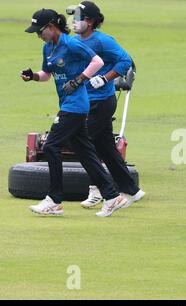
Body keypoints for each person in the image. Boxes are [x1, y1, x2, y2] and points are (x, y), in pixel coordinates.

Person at [22, 8, 127, 217]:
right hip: (67, 104)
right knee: (85, 153)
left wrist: (80, 80)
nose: (38, 35)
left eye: (40, 31)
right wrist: (32, 76)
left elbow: (97, 62)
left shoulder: (71, 44)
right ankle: (112, 196)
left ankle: (54, 200)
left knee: (51, 145)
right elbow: (46, 74)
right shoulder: (48, 48)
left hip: (76, 105)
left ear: (51, 27)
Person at [67, 1, 145, 208]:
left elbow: (125, 61)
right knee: (106, 148)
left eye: (78, 18)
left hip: (102, 102)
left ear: (91, 21)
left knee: (84, 144)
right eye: (72, 17)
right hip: (85, 102)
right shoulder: (74, 41)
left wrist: (105, 78)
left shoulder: (103, 41)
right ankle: (132, 190)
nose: (74, 22)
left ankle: (98, 190)